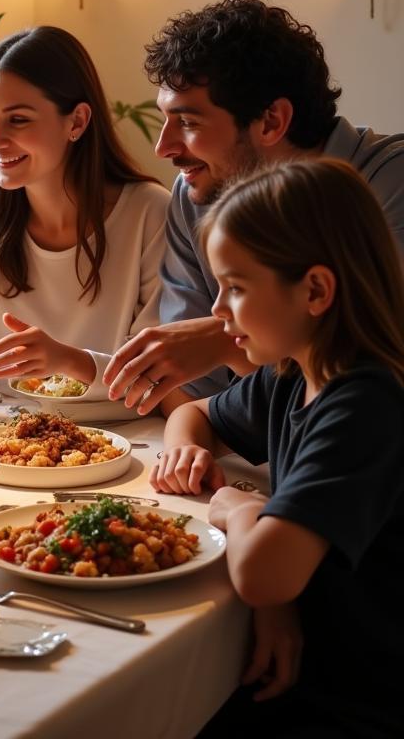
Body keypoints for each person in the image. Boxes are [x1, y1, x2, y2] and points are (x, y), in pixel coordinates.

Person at [152, 159, 403, 737]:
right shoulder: (293, 374)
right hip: (318, 663)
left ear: (314, 290)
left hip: (364, 697)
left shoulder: (365, 406)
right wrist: (187, 451)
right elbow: (192, 413)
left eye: (235, 288)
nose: (216, 311)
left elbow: (264, 574)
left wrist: (242, 509)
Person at [104, 0, 404, 412]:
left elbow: (375, 369)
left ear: (272, 121)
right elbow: (195, 385)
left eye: (188, 123)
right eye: (164, 120)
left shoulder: (391, 184)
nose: (162, 148)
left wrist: (223, 339)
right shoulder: (196, 194)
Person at [0, 26, 182, 415]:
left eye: (17, 120)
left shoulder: (148, 212)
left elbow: (158, 371)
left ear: (77, 122)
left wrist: (67, 360)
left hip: (116, 438)